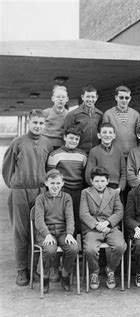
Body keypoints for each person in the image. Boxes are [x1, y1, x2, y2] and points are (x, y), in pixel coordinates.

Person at [2, 109, 53, 286]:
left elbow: (49, 168)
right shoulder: (18, 142)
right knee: (21, 231)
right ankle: (21, 270)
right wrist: (15, 185)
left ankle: (33, 269)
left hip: (39, 190)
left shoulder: (47, 143)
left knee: (38, 230)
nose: (38, 126)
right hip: (20, 191)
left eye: (41, 123)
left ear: (44, 124)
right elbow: (7, 167)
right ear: (29, 123)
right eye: (35, 122)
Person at [80, 167, 126, 290]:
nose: (100, 184)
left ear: (107, 181)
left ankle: (110, 270)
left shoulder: (113, 193)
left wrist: (107, 223)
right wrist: (97, 225)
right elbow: (84, 213)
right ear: (91, 181)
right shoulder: (86, 193)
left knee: (120, 246)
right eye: (96, 181)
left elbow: (119, 211)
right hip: (93, 229)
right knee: (90, 249)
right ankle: (94, 272)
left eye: (102, 181)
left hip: (110, 227)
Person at [34, 169, 79, 293]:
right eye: (52, 183)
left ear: (63, 184)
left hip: (63, 231)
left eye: (58, 183)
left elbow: (70, 217)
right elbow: (39, 220)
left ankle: (65, 274)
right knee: (49, 250)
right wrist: (47, 234)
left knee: (73, 248)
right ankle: (46, 276)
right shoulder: (41, 198)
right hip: (47, 232)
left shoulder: (66, 197)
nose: (55, 186)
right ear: (46, 183)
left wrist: (70, 233)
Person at [47, 126, 88, 238]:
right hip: (63, 191)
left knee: (76, 220)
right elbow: (51, 175)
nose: (73, 141)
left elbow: (84, 175)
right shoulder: (54, 155)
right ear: (65, 137)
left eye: (76, 139)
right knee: (63, 219)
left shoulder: (83, 155)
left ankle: (73, 250)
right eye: (71, 138)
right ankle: (62, 250)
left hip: (78, 192)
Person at [86, 123, 126, 193]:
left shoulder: (119, 151)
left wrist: (120, 187)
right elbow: (89, 174)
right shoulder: (94, 151)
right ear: (99, 135)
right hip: (99, 187)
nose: (107, 135)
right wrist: (98, 187)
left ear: (114, 136)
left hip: (115, 188)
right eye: (104, 132)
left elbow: (123, 173)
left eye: (110, 132)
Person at [103, 85, 140, 158]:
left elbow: (139, 136)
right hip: (113, 154)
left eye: (126, 98)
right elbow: (105, 136)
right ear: (116, 97)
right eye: (121, 97)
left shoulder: (136, 114)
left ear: (130, 98)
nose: (124, 100)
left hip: (132, 155)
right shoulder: (108, 114)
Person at [63, 84, 103, 154]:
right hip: (77, 151)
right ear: (82, 97)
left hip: (95, 151)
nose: (90, 99)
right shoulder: (73, 114)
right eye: (87, 97)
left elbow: (101, 133)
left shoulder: (99, 114)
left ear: (96, 97)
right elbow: (66, 134)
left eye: (93, 97)